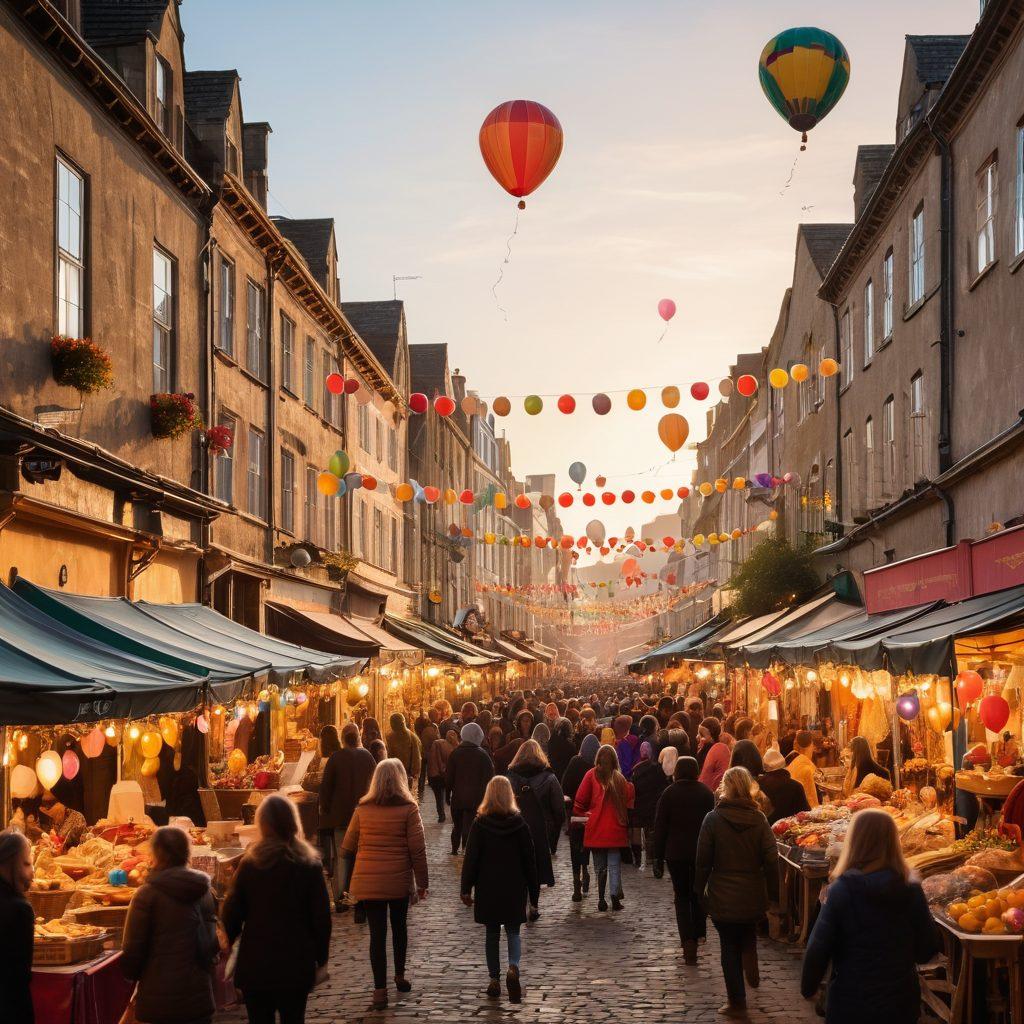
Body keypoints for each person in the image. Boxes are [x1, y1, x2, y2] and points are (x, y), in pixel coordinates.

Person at [801, 809, 939, 1024]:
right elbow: (926, 950)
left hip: (850, 999)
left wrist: (808, 986)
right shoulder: (910, 889)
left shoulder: (842, 889)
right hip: (899, 1002)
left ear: (854, 840)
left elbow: (819, 946)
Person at [222, 795, 331, 1024]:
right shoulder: (309, 865)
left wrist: (228, 943)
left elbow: (232, 912)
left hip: (256, 963)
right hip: (296, 963)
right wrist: (320, 957)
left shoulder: (250, 864)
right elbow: (321, 918)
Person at [340, 759, 428, 1011]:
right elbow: (418, 850)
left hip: (369, 882)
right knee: (399, 928)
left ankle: (380, 991)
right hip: (398, 880)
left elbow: (347, 848)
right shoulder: (409, 809)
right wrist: (422, 883)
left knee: (377, 936)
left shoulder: (362, 809)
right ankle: (399, 975)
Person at [694, 767, 779, 1019]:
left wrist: (699, 891)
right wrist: (774, 896)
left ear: (725, 788)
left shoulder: (713, 819)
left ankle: (737, 1000)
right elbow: (771, 859)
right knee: (746, 931)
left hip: (723, 892)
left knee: (728, 946)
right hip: (752, 891)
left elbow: (702, 861)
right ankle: (749, 952)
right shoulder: (760, 819)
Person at [121, 826, 219, 1024]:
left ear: (155, 854)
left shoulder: (146, 895)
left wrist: (132, 976)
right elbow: (210, 948)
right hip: (198, 1002)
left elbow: (132, 952)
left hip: (158, 1004)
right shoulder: (205, 892)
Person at [460, 776, 539, 1004]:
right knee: (513, 932)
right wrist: (534, 895)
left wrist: (466, 888)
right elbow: (529, 862)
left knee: (492, 933)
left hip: (488, 886)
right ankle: (513, 967)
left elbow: (471, 858)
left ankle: (494, 978)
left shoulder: (480, 824)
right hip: (514, 887)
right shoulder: (520, 825)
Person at [653, 757, 715, 964]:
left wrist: (657, 857)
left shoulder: (669, 794)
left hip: (676, 853)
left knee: (681, 897)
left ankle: (687, 940)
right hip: (700, 853)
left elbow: (660, 828)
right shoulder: (706, 793)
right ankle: (698, 934)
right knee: (698, 894)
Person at [320, 723, 376, 912]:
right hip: (363, 815)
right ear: (358, 737)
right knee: (361, 857)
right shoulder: (368, 757)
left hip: (341, 817)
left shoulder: (335, 758)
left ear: (343, 738)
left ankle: (341, 898)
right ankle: (359, 895)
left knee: (342, 856)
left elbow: (326, 787)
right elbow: (375, 785)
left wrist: (325, 809)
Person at [573, 744, 635, 912]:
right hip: (615, 828)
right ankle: (614, 897)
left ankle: (601, 899)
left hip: (596, 828)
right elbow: (629, 798)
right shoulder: (619, 778)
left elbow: (579, 800)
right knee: (614, 865)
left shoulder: (591, 775)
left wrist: (585, 817)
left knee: (600, 866)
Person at [506, 740, 565, 918]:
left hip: (514, 826)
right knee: (536, 867)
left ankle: (520, 902)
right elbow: (558, 808)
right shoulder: (549, 778)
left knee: (518, 865)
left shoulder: (509, 777)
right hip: (541, 828)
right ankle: (534, 905)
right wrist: (555, 829)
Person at [0, 830, 34, 1024]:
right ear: (10, 862)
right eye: (26, 863)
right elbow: (21, 976)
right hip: (10, 1009)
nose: (32, 871)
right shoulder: (19, 909)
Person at [560, 733, 599, 901]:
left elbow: (565, 786)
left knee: (575, 846)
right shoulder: (597, 767)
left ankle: (577, 881)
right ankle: (585, 869)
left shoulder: (575, 762)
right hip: (592, 814)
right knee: (587, 844)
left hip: (576, 813)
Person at [446, 722, 494, 856]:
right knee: (470, 825)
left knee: (457, 826)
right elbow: (490, 778)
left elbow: (449, 777)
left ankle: (454, 849)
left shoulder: (455, 754)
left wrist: (447, 794)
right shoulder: (483, 756)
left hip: (458, 797)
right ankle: (466, 849)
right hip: (476, 798)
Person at [629, 741, 669, 871]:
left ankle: (638, 858)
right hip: (652, 805)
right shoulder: (657, 768)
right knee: (652, 831)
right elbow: (663, 787)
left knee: (636, 829)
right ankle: (652, 857)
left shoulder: (635, 770)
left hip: (639, 805)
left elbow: (633, 789)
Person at [757, 748, 810, 824]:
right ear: (784, 765)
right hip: (790, 832)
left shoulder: (757, 786)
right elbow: (805, 815)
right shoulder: (796, 786)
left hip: (765, 833)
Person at [384, 713, 422, 793]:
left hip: (405, 773)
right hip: (395, 772)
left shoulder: (412, 737)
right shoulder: (390, 737)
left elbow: (416, 756)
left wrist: (414, 773)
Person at [426, 728, 457, 824]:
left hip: (435, 775)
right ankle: (453, 815)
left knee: (439, 797)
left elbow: (433, 759)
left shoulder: (437, 743)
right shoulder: (456, 747)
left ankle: (441, 815)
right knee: (452, 796)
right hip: (447, 775)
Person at [697, 718, 731, 793]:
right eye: (699, 734)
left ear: (712, 737)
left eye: (702, 735)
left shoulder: (712, 750)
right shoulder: (705, 748)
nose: (698, 737)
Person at [788, 731, 820, 808]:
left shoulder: (794, 762)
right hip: (804, 809)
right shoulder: (807, 769)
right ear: (811, 744)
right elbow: (812, 799)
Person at [612, 714, 640, 779]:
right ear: (627, 729)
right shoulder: (629, 741)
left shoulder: (611, 741)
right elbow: (626, 768)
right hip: (626, 778)